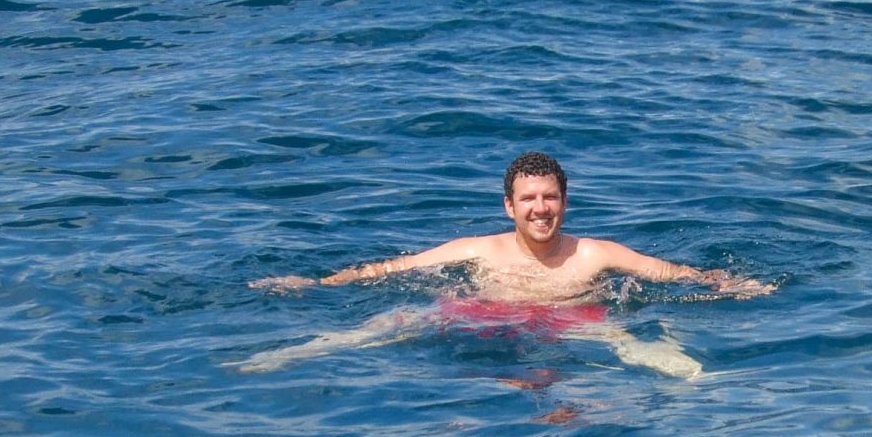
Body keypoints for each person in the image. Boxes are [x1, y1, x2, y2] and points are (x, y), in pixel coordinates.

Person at [238, 151, 771, 378]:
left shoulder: (595, 255)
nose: (541, 209)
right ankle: (290, 356)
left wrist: (731, 284)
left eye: (550, 198)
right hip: (481, 313)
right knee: (384, 324)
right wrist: (314, 282)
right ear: (509, 207)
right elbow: (391, 269)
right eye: (529, 200)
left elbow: (673, 274)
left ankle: (697, 386)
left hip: (574, 321)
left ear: (565, 201)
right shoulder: (477, 250)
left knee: (627, 343)